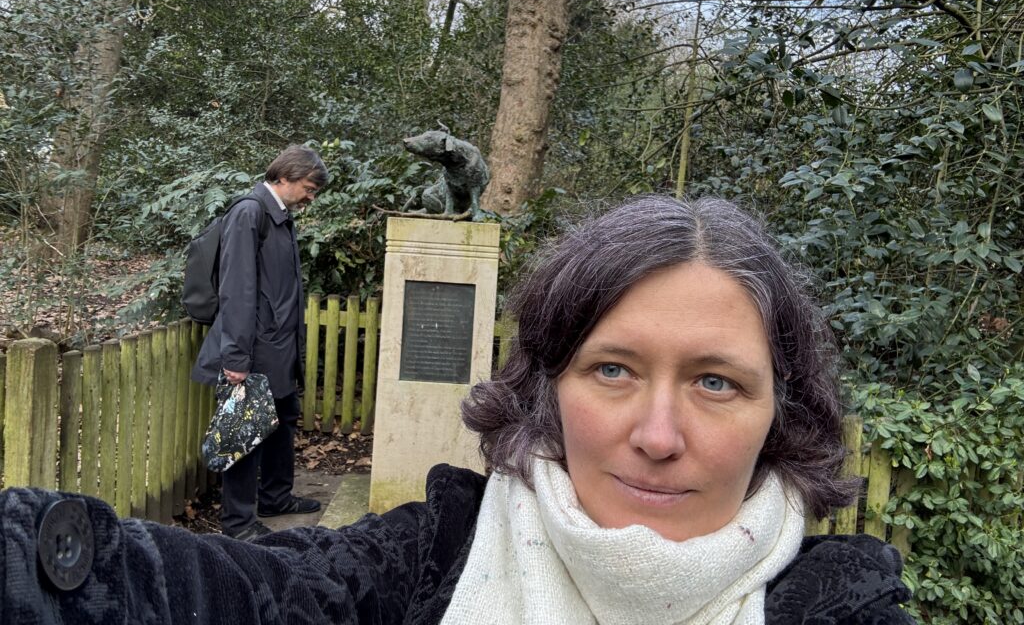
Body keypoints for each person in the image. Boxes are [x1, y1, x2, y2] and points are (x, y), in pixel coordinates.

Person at [1, 195, 916, 624]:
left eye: (716, 382)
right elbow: (210, 593)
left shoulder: (838, 607)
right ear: (549, 387)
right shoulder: (427, 559)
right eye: (612, 369)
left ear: (780, 408)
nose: (658, 436)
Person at [191, 144, 330, 540]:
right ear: (284, 177)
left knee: (283, 421)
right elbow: (237, 289)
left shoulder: (279, 215)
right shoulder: (250, 213)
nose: (310, 197)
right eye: (308, 188)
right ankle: (237, 524)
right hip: (253, 349)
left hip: (277, 347)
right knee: (244, 431)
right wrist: (236, 357)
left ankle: (275, 498)